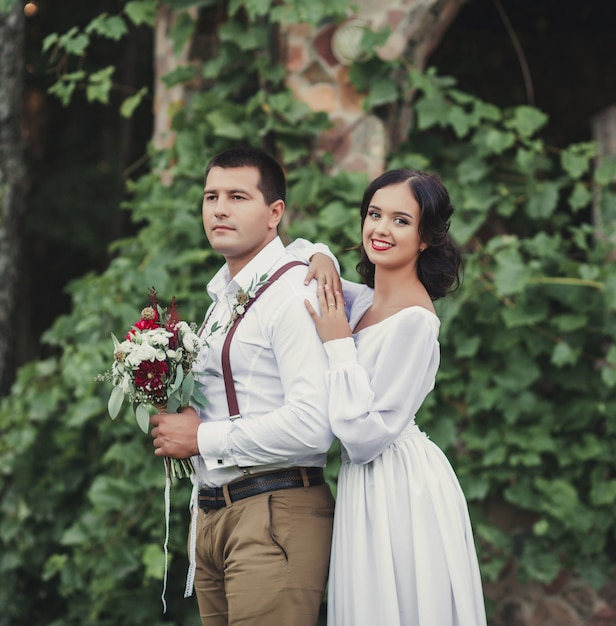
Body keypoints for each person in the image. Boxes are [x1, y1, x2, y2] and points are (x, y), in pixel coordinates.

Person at [149, 147, 340, 626]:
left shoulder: (293, 295)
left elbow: (314, 426)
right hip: (215, 515)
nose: (219, 208)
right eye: (211, 196)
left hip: (275, 512)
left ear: (275, 213)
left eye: (237, 196)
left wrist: (202, 439)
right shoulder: (222, 298)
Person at [305, 169, 487, 626]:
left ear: (426, 237)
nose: (381, 229)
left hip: (399, 483)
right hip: (363, 484)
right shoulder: (364, 301)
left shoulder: (416, 322)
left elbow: (365, 437)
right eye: (374, 214)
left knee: (397, 604)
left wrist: (337, 343)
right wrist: (322, 253)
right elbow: (302, 273)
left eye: (401, 220)